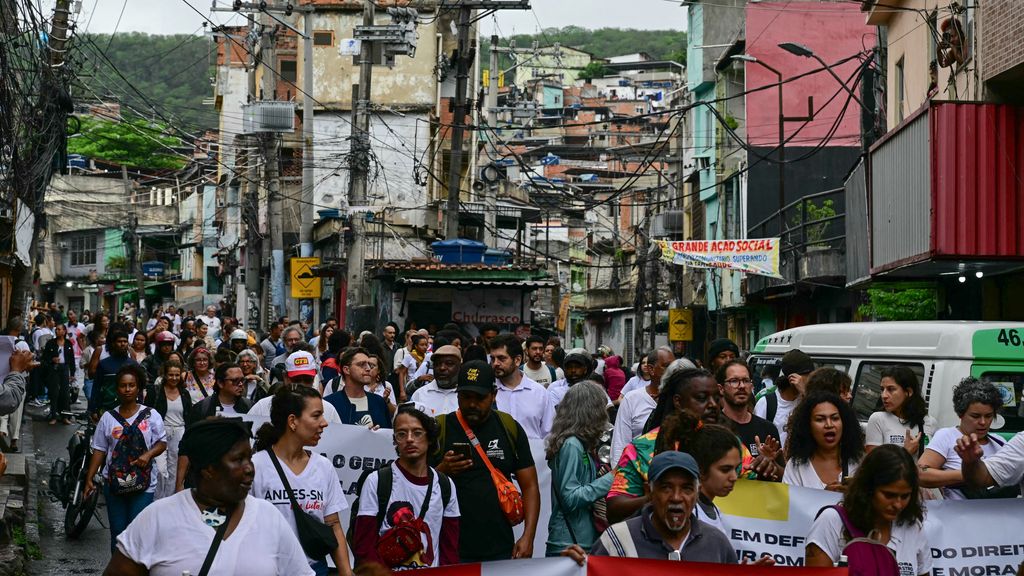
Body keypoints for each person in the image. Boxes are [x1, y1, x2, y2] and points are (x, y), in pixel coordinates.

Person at [104, 418, 314, 576]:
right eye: (238, 460)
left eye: (249, 458)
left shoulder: (269, 518)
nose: (250, 468)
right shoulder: (158, 518)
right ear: (208, 469)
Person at [607, 368, 776, 525]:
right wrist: (656, 497)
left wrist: (767, 470)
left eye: (717, 399)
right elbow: (614, 509)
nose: (713, 405)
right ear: (678, 402)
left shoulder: (730, 445)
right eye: (702, 398)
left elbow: (756, 497)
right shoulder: (641, 449)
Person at [430, 360, 539, 562]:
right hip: (448, 548)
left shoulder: (509, 428)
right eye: (466, 397)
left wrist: (528, 537)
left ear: (494, 395)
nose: (472, 404)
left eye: (480, 398)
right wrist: (441, 470)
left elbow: (530, 485)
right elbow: (416, 485)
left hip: (499, 548)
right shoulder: (439, 429)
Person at [251, 387, 352, 576]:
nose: (324, 423)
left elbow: (333, 524)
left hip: (315, 570)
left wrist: (346, 573)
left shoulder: (323, 467)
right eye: (316, 416)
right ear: (292, 421)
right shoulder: (256, 466)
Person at [352, 405, 460, 570]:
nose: (409, 439)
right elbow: (364, 545)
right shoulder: (377, 481)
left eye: (417, 433)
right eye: (401, 434)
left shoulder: (445, 485)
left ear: (430, 437)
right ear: (395, 439)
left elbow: (449, 549)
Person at [805, 444, 931, 575]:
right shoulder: (831, 521)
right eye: (889, 495)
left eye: (905, 496)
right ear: (868, 488)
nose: (898, 504)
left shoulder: (913, 526)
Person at [589, 451, 737, 562]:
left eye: (687, 488)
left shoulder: (717, 543)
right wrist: (572, 564)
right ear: (649, 492)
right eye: (666, 488)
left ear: (697, 493)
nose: (676, 497)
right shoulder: (618, 541)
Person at [85, 364, 167, 552]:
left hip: (144, 482)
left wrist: (147, 455)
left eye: (132, 385)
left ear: (138, 388)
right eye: (123, 385)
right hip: (114, 483)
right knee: (118, 533)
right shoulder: (108, 418)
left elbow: (162, 443)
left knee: (137, 531)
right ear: (117, 388)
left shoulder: (151, 415)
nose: (128, 389)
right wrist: (89, 478)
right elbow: (99, 449)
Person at [545, 382, 614, 556]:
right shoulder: (572, 445)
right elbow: (570, 498)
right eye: (601, 408)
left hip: (575, 537)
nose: (604, 415)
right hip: (568, 542)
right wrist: (610, 479)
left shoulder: (577, 443)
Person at [922, 378, 1014, 499]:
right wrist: (972, 475)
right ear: (961, 414)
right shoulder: (947, 436)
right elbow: (921, 474)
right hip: (960, 515)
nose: (983, 422)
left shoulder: (999, 442)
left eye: (988, 416)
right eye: (975, 416)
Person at [654, 413, 743, 535]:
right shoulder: (687, 515)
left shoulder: (715, 512)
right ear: (700, 469)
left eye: (736, 468)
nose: (734, 477)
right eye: (725, 469)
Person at [782, 391, 864, 491]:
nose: (829, 425)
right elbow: (791, 504)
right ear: (808, 426)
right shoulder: (796, 467)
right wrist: (823, 496)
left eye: (835, 418)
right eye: (820, 419)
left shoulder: (860, 463)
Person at [609, 352, 679, 467]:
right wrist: (620, 475)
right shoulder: (631, 399)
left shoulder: (679, 400)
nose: (673, 371)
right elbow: (620, 442)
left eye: (674, 367)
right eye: (667, 366)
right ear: (651, 369)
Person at [488, 334, 554, 439]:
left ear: (517, 360)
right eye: (492, 359)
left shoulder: (540, 393)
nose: (495, 363)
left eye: (501, 358)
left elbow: (549, 434)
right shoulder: (487, 392)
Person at [250, 351, 343, 424]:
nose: (302, 385)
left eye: (307, 380)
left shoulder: (328, 410)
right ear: (285, 377)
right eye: (296, 380)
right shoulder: (262, 407)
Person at [145, 360, 192, 500]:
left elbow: (188, 415)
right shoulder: (155, 391)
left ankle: (169, 501)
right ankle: (156, 500)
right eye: (171, 375)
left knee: (175, 470)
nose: (174, 378)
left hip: (179, 433)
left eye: (177, 375)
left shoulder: (184, 393)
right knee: (159, 469)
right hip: (160, 433)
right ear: (165, 375)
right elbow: (146, 412)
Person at [716, 359, 780, 461]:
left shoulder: (768, 429)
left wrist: (770, 464)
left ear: (752, 386)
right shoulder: (714, 428)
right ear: (721, 388)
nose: (741, 386)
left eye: (746, 381)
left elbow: (783, 473)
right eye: (734, 381)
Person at [866, 365, 934, 456]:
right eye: (882, 389)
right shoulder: (878, 419)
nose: (884, 395)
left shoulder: (928, 422)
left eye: (891, 389)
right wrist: (906, 453)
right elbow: (873, 464)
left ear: (908, 392)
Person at [754, 349, 814, 448]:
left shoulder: (807, 399)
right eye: (807, 376)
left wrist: (805, 392)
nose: (811, 380)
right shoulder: (767, 403)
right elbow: (757, 437)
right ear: (793, 378)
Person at [324, 348, 390, 429]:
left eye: (370, 365)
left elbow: (388, 434)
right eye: (361, 364)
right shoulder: (329, 403)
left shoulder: (379, 402)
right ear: (346, 369)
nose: (368, 368)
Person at [90, 330, 141, 417]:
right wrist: (93, 409)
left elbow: (139, 388)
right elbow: (97, 387)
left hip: (130, 410)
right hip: (107, 408)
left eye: (125, 341)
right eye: (119, 341)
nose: (122, 344)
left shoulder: (133, 364)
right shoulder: (104, 364)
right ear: (113, 344)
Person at [409, 345, 461, 417]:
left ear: (460, 367)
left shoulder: (467, 397)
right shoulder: (420, 395)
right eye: (437, 364)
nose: (442, 368)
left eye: (449, 363)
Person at [42, 323, 75, 425]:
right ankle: (54, 415)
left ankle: (65, 416)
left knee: (65, 393)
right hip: (54, 369)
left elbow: (72, 359)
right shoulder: (51, 343)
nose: (57, 331)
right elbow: (45, 357)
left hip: (64, 368)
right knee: (54, 392)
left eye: (60, 329)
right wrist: (52, 359)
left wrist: (72, 373)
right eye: (56, 329)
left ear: (64, 331)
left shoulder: (68, 343)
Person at [401, 334, 432, 400]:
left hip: (423, 388)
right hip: (411, 388)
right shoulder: (409, 356)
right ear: (416, 346)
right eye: (422, 345)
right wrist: (402, 391)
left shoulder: (428, 357)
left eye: (426, 345)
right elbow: (401, 373)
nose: (425, 347)